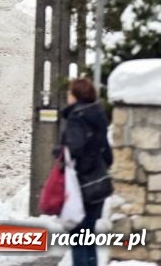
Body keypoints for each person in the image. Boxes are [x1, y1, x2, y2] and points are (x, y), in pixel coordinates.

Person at [60, 77, 113, 266]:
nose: (68, 96)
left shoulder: (76, 116)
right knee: (88, 236)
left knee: (78, 237)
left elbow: (76, 148)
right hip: (100, 184)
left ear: (76, 96)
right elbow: (108, 155)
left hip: (82, 186)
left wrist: (60, 152)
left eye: (69, 93)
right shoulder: (98, 115)